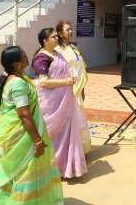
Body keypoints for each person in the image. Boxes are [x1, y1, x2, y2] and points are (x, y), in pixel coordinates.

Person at [0, 46, 64, 204]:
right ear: (17, 64)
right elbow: (24, 114)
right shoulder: (18, 84)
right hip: (22, 136)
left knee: (22, 170)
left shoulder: (17, 79)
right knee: (25, 172)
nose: (28, 57)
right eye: (24, 56)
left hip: (18, 133)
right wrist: (38, 140)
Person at [32, 28, 88, 180]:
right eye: (53, 37)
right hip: (51, 104)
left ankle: (65, 168)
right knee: (53, 134)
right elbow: (43, 82)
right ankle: (49, 168)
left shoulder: (57, 54)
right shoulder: (41, 58)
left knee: (66, 133)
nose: (57, 38)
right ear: (45, 41)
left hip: (65, 101)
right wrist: (65, 81)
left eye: (56, 36)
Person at [55, 22, 92, 155]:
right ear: (60, 33)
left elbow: (80, 68)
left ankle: (79, 148)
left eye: (71, 29)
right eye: (67, 30)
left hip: (76, 88)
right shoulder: (57, 50)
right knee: (67, 118)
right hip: (65, 88)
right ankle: (67, 149)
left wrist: (82, 89)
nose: (70, 31)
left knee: (79, 117)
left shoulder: (73, 48)